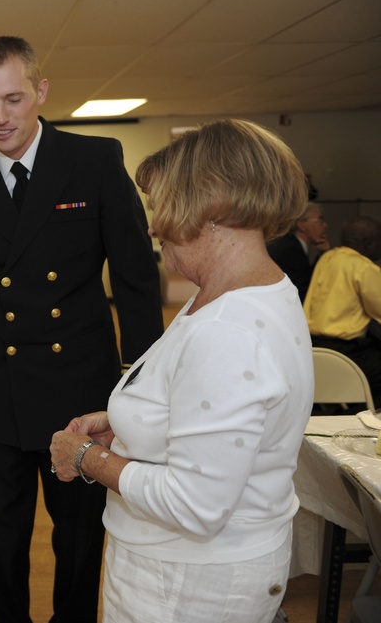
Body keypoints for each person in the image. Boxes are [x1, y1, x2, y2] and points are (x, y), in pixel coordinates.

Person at [0, 35, 164, 622]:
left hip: (80, 386)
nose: (0, 118)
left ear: (41, 92)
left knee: (78, 536)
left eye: (13, 99)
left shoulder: (95, 159)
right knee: (1, 538)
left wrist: (143, 380)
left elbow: (134, 278)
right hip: (1, 388)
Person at [49, 119, 313, 623]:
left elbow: (194, 504)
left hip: (185, 585)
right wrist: (127, 423)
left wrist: (86, 458)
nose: (151, 226)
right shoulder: (238, 293)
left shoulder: (228, 331)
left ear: (210, 208)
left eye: (161, 209)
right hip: (188, 571)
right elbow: (214, 410)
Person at [304, 215, 381, 401]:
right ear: (369, 243)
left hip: (312, 349)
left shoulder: (327, 258)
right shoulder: (364, 267)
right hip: (346, 353)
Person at [266, 202, 329, 302]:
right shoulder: (291, 250)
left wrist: (321, 255)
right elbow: (304, 290)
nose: (325, 225)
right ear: (302, 225)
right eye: (320, 220)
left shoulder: (290, 244)